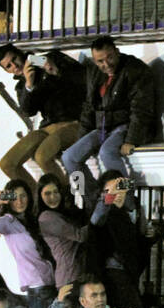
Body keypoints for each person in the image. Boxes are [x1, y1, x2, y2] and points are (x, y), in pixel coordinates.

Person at [62, 36, 158, 207]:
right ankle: (91, 200)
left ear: (117, 52)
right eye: (100, 61)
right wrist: (83, 138)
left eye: (110, 58)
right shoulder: (95, 72)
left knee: (107, 153)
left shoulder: (134, 70)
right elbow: (89, 107)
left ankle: (127, 202)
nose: (106, 64)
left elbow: (141, 109)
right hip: (103, 127)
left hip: (125, 126)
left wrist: (131, 139)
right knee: (69, 156)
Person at [0, 44, 85, 188]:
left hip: (73, 122)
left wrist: (56, 71)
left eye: (14, 59)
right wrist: (29, 85)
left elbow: (83, 77)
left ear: (21, 53)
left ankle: (63, 196)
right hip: (47, 128)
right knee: (7, 163)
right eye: (8, 66)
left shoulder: (52, 58)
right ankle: (37, 200)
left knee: (42, 156)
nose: (15, 66)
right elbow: (28, 111)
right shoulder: (22, 86)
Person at [0, 179, 57, 308]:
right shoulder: (8, 222)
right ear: (9, 200)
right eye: (14, 197)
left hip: (52, 282)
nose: (19, 201)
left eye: (23, 196)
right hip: (35, 287)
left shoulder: (34, 219)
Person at [90, 170, 151, 308]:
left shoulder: (130, 211)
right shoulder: (103, 213)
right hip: (113, 274)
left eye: (120, 190)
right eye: (109, 191)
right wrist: (110, 195)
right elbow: (96, 220)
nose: (116, 194)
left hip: (130, 273)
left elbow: (139, 238)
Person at [35, 174, 89, 288]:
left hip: (75, 276)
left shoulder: (60, 214)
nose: (53, 197)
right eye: (47, 193)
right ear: (40, 196)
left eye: (56, 192)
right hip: (69, 278)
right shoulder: (46, 217)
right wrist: (98, 212)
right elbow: (80, 235)